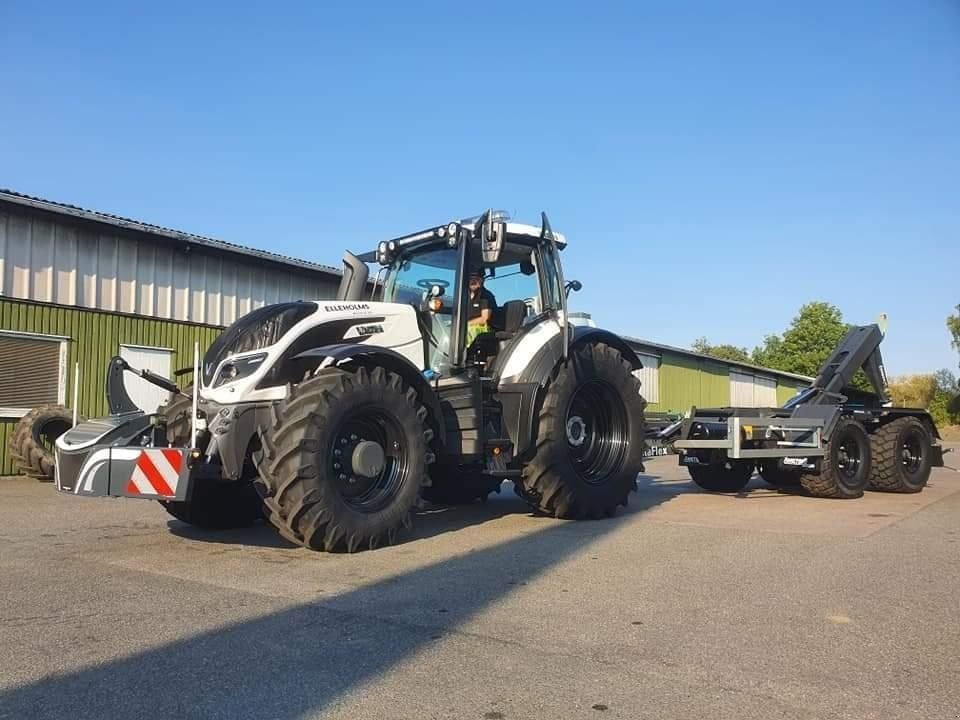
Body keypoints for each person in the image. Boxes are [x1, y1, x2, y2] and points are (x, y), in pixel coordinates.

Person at [466, 270, 496, 347]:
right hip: (465, 326)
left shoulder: (486, 296)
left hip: (483, 329)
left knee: (465, 332)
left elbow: (484, 318)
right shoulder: (463, 296)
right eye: (470, 278)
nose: (473, 281)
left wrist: (465, 324)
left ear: (482, 280)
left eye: (476, 278)